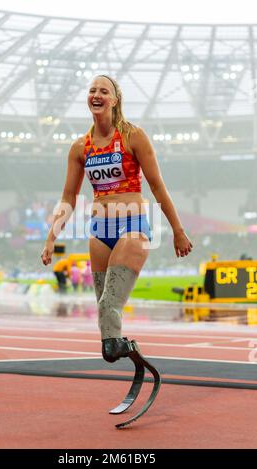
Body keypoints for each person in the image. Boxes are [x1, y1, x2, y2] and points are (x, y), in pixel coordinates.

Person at [41, 74, 193, 363]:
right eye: (92, 90)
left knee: (110, 302)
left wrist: (178, 230)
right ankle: (117, 345)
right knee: (103, 308)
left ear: (115, 99)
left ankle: (120, 346)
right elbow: (68, 198)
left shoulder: (133, 136)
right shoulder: (79, 148)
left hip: (132, 225)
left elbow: (157, 185)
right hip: (99, 230)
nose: (96, 95)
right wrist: (51, 238)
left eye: (104, 91)